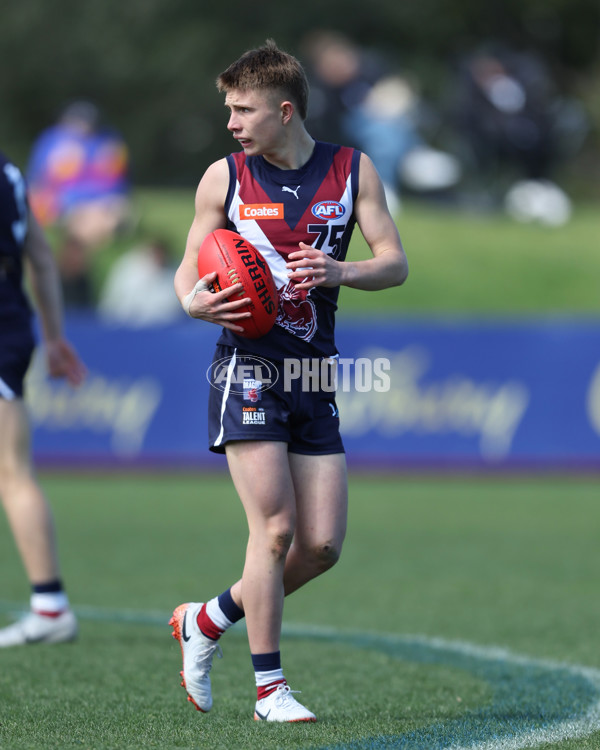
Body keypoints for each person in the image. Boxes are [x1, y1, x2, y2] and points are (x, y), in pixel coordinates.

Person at [170, 40, 408, 723]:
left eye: (242, 110)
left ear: (284, 110)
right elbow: (189, 266)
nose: (231, 122)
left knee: (321, 546)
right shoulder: (225, 178)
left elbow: (393, 262)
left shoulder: (352, 170)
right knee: (273, 532)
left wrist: (344, 272)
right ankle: (270, 690)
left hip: (313, 371)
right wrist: (191, 300)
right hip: (247, 366)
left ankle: (209, 618)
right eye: (228, 109)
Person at [0, 151, 86, 647]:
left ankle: (51, 606)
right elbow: (40, 256)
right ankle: (50, 605)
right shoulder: (8, 173)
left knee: (12, 473)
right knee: (13, 471)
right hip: (11, 320)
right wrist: (53, 338)